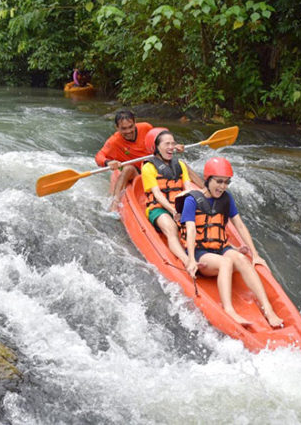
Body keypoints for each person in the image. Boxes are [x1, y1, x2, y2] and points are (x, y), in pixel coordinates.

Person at [177, 157, 284, 328]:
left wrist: (255, 254)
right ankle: (229, 310)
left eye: (226, 182)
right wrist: (190, 259)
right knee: (226, 262)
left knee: (242, 259)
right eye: (218, 182)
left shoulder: (227, 198)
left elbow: (240, 225)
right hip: (201, 252)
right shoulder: (191, 200)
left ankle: (268, 309)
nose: (222, 187)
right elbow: (190, 229)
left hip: (220, 247)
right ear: (208, 179)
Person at [141, 128, 198, 265]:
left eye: (173, 143)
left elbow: (188, 187)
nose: (171, 147)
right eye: (167, 144)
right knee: (172, 228)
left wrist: (189, 207)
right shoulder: (148, 168)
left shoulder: (181, 165)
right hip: (158, 208)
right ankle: (187, 261)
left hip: (178, 204)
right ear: (156, 147)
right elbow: (157, 194)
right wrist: (173, 211)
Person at [95, 110, 154, 210]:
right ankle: (114, 204)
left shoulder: (146, 127)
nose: (128, 131)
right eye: (123, 128)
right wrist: (108, 162)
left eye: (131, 127)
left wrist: (173, 145)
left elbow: (161, 139)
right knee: (128, 169)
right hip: (137, 172)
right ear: (117, 128)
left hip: (153, 167)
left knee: (180, 163)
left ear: (135, 123)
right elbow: (99, 157)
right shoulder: (114, 141)